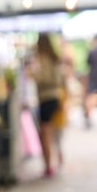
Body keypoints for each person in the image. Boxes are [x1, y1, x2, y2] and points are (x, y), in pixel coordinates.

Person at [31, 33, 65, 177]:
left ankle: (48, 166)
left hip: (45, 98)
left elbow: (42, 78)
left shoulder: (41, 59)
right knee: (54, 132)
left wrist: (32, 74)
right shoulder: (55, 58)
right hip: (56, 97)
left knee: (45, 134)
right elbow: (61, 78)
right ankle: (58, 158)